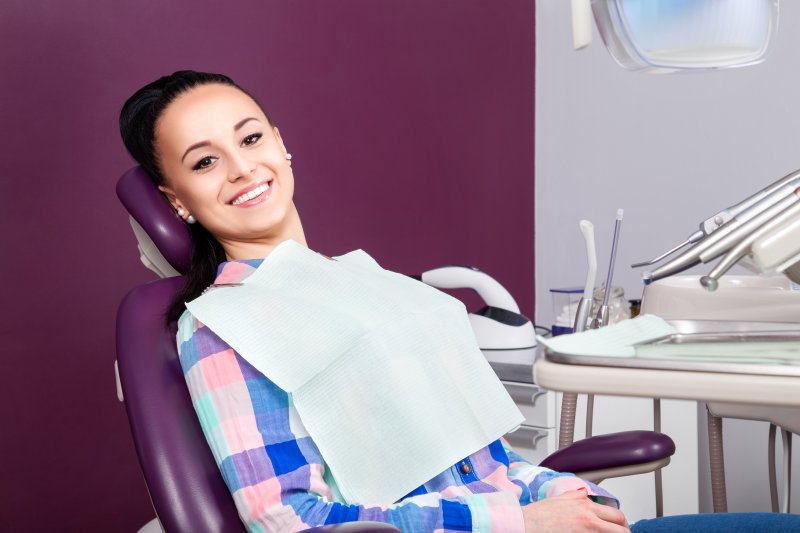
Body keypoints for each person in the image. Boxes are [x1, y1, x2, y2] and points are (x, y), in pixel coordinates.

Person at [119, 71, 799, 533]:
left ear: (281, 142)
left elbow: (484, 462)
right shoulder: (225, 328)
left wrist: (561, 493)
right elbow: (287, 520)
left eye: (251, 136)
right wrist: (517, 521)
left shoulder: (364, 282)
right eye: (204, 161)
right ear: (176, 199)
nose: (242, 167)